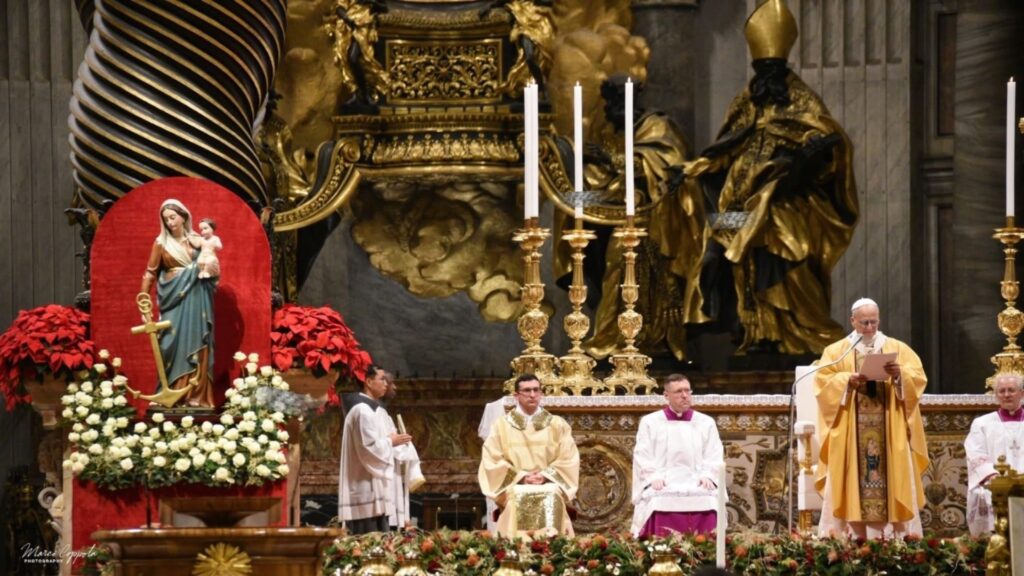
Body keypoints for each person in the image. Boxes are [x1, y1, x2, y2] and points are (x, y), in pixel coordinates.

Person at [682, 0, 858, 355]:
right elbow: (724, 148)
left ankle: (800, 331)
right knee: (722, 253)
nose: (764, 79)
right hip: (738, 207)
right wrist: (696, 168)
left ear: (784, 71)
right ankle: (755, 333)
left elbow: (829, 144)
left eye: (772, 70)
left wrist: (802, 161)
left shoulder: (803, 104)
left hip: (786, 203)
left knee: (783, 250)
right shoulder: (746, 104)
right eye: (759, 70)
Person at [814, 298, 928, 539]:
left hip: (890, 427)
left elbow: (918, 378)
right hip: (850, 433)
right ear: (852, 321)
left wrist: (900, 375)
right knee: (850, 478)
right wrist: (846, 379)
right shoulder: (836, 351)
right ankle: (850, 537)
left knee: (893, 475)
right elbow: (822, 383)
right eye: (864, 322)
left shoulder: (897, 348)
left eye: (873, 322)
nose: (869, 327)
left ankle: (896, 538)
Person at [478, 374, 580, 537]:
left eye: (536, 390)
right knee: (518, 495)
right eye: (527, 391)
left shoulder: (557, 424)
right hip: (515, 485)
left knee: (552, 493)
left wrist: (545, 476)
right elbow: (492, 459)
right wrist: (522, 477)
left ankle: (554, 550)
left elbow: (568, 458)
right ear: (516, 396)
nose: (532, 395)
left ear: (541, 393)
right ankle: (516, 551)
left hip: (549, 483)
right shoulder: (501, 425)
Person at [140, 198, 216, 408]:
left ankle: (197, 396)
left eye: (173, 217)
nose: (170, 223)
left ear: (183, 216)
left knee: (198, 343)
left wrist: (210, 269)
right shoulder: (161, 243)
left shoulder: (197, 241)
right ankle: (171, 394)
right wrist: (143, 298)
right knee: (169, 345)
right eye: (166, 220)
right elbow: (150, 272)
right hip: (172, 299)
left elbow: (210, 265)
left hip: (197, 296)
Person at [631, 374, 725, 537]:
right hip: (663, 480)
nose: (685, 395)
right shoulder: (650, 422)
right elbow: (642, 454)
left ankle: (707, 549)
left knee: (709, 499)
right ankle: (660, 549)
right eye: (678, 391)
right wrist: (653, 476)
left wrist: (708, 475)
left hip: (697, 480)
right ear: (666, 396)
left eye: (688, 391)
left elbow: (714, 453)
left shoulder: (705, 422)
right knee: (656, 499)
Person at [337, 365, 413, 534]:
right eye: (382, 379)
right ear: (368, 382)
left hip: (374, 489)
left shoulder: (375, 410)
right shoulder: (362, 410)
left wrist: (397, 443)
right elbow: (368, 448)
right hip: (364, 489)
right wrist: (390, 441)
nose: (386, 384)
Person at [965, 372, 1024, 536]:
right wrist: (996, 478)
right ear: (996, 395)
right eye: (1001, 391)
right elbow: (975, 454)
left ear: (1021, 393)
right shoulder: (982, 423)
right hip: (996, 483)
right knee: (984, 494)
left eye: (1011, 390)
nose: (1006, 395)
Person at [379, 369, 425, 529]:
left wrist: (401, 443)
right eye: (391, 383)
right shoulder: (370, 413)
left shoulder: (383, 414)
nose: (394, 388)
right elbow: (372, 446)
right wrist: (395, 442)